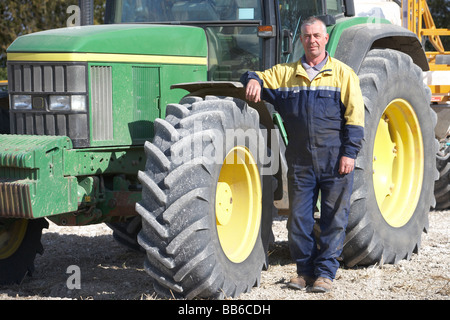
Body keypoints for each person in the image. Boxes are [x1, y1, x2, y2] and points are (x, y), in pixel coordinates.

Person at [240, 16, 364, 293]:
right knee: (299, 220)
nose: (312, 40)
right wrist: (252, 80)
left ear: (326, 38)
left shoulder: (344, 74)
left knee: (334, 219)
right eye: (307, 36)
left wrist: (349, 153)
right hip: (301, 162)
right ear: (301, 39)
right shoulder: (286, 73)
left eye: (317, 35)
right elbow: (254, 76)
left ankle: (325, 274)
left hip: (335, 160)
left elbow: (355, 119)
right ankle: (304, 272)